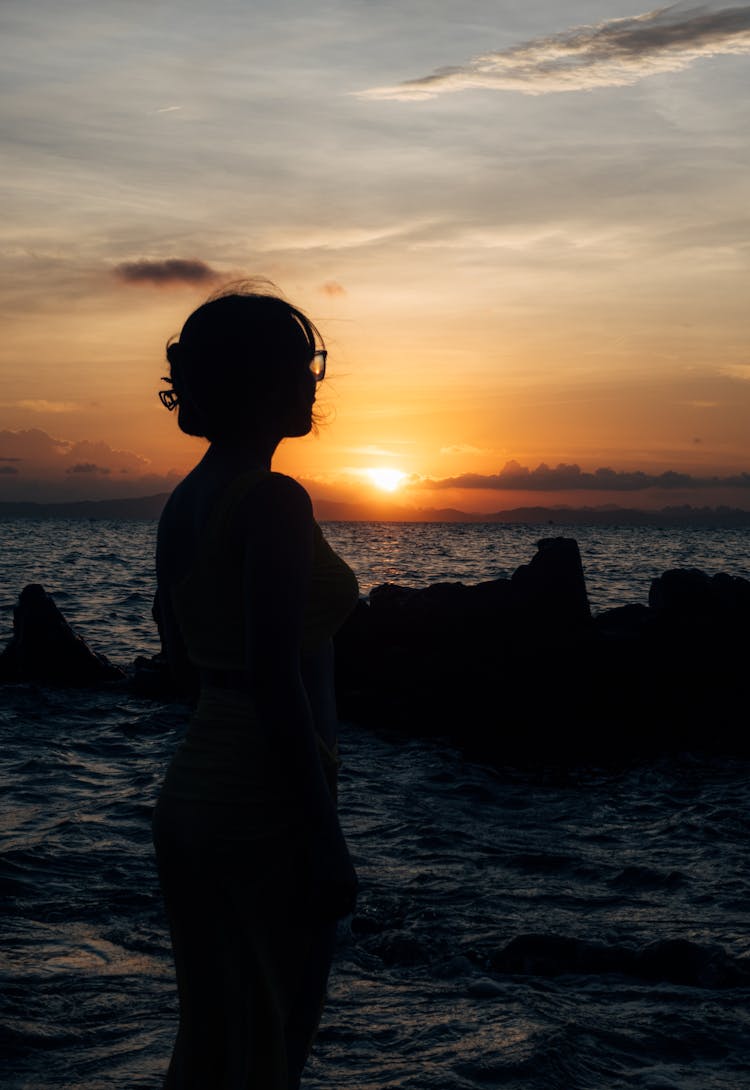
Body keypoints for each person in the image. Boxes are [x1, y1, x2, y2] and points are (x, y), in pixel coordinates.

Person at [152, 283, 359, 1089]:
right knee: (273, 1042)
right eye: (307, 366)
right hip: (264, 797)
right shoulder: (273, 500)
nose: (316, 382)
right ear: (268, 381)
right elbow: (278, 682)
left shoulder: (182, 503)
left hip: (196, 792)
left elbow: (182, 664)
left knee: (211, 1037)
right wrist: (324, 836)